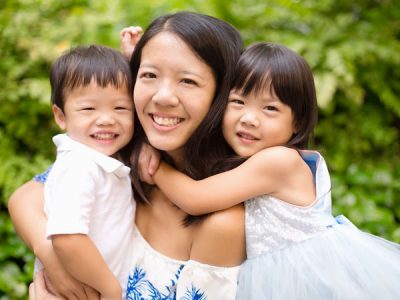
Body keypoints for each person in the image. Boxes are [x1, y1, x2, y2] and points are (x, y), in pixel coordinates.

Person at [8, 12, 246, 299]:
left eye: (188, 81)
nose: (163, 96)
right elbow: (25, 197)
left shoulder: (221, 223)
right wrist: (52, 255)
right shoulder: (121, 155)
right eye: (149, 75)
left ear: (223, 93)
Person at [139, 42, 400, 299]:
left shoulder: (278, 161)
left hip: (302, 279)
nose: (249, 118)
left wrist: (156, 166)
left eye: (270, 108)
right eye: (238, 102)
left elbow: (196, 199)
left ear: (297, 121)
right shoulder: (257, 156)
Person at [35, 44, 137, 299]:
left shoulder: (98, 160)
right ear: (61, 116)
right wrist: (111, 289)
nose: (106, 119)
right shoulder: (79, 166)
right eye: (89, 109)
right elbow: (67, 237)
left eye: (120, 108)